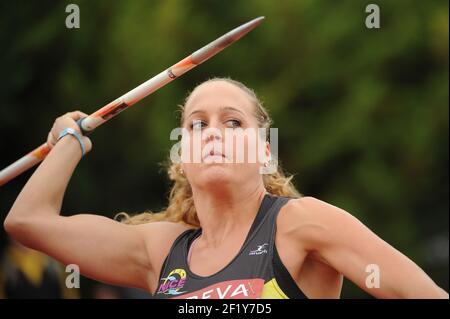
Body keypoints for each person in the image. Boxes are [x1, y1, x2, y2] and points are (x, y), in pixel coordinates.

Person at [3, 77, 448, 299]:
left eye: (233, 122)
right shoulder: (161, 251)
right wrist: (69, 143)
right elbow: (28, 222)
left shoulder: (301, 224)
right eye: (197, 125)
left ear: (265, 152)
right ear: (182, 158)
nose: (213, 132)